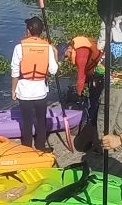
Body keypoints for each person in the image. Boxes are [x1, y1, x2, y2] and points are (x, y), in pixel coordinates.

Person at [11, 16, 58, 151]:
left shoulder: (19, 48)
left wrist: (13, 90)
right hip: (40, 93)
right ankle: (40, 147)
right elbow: (53, 71)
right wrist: (54, 54)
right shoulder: (47, 47)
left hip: (24, 93)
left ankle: (27, 149)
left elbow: (14, 72)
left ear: (28, 31)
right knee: (41, 121)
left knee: (27, 122)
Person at [65, 33, 104, 125]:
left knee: (94, 98)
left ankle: (91, 121)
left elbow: (81, 74)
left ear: (69, 49)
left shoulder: (81, 52)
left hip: (100, 71)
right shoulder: (76, 46)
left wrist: (79, 93)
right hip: (94, 70)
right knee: (92, 95)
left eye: (66, 56)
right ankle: (92, 118)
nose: (67, 59)